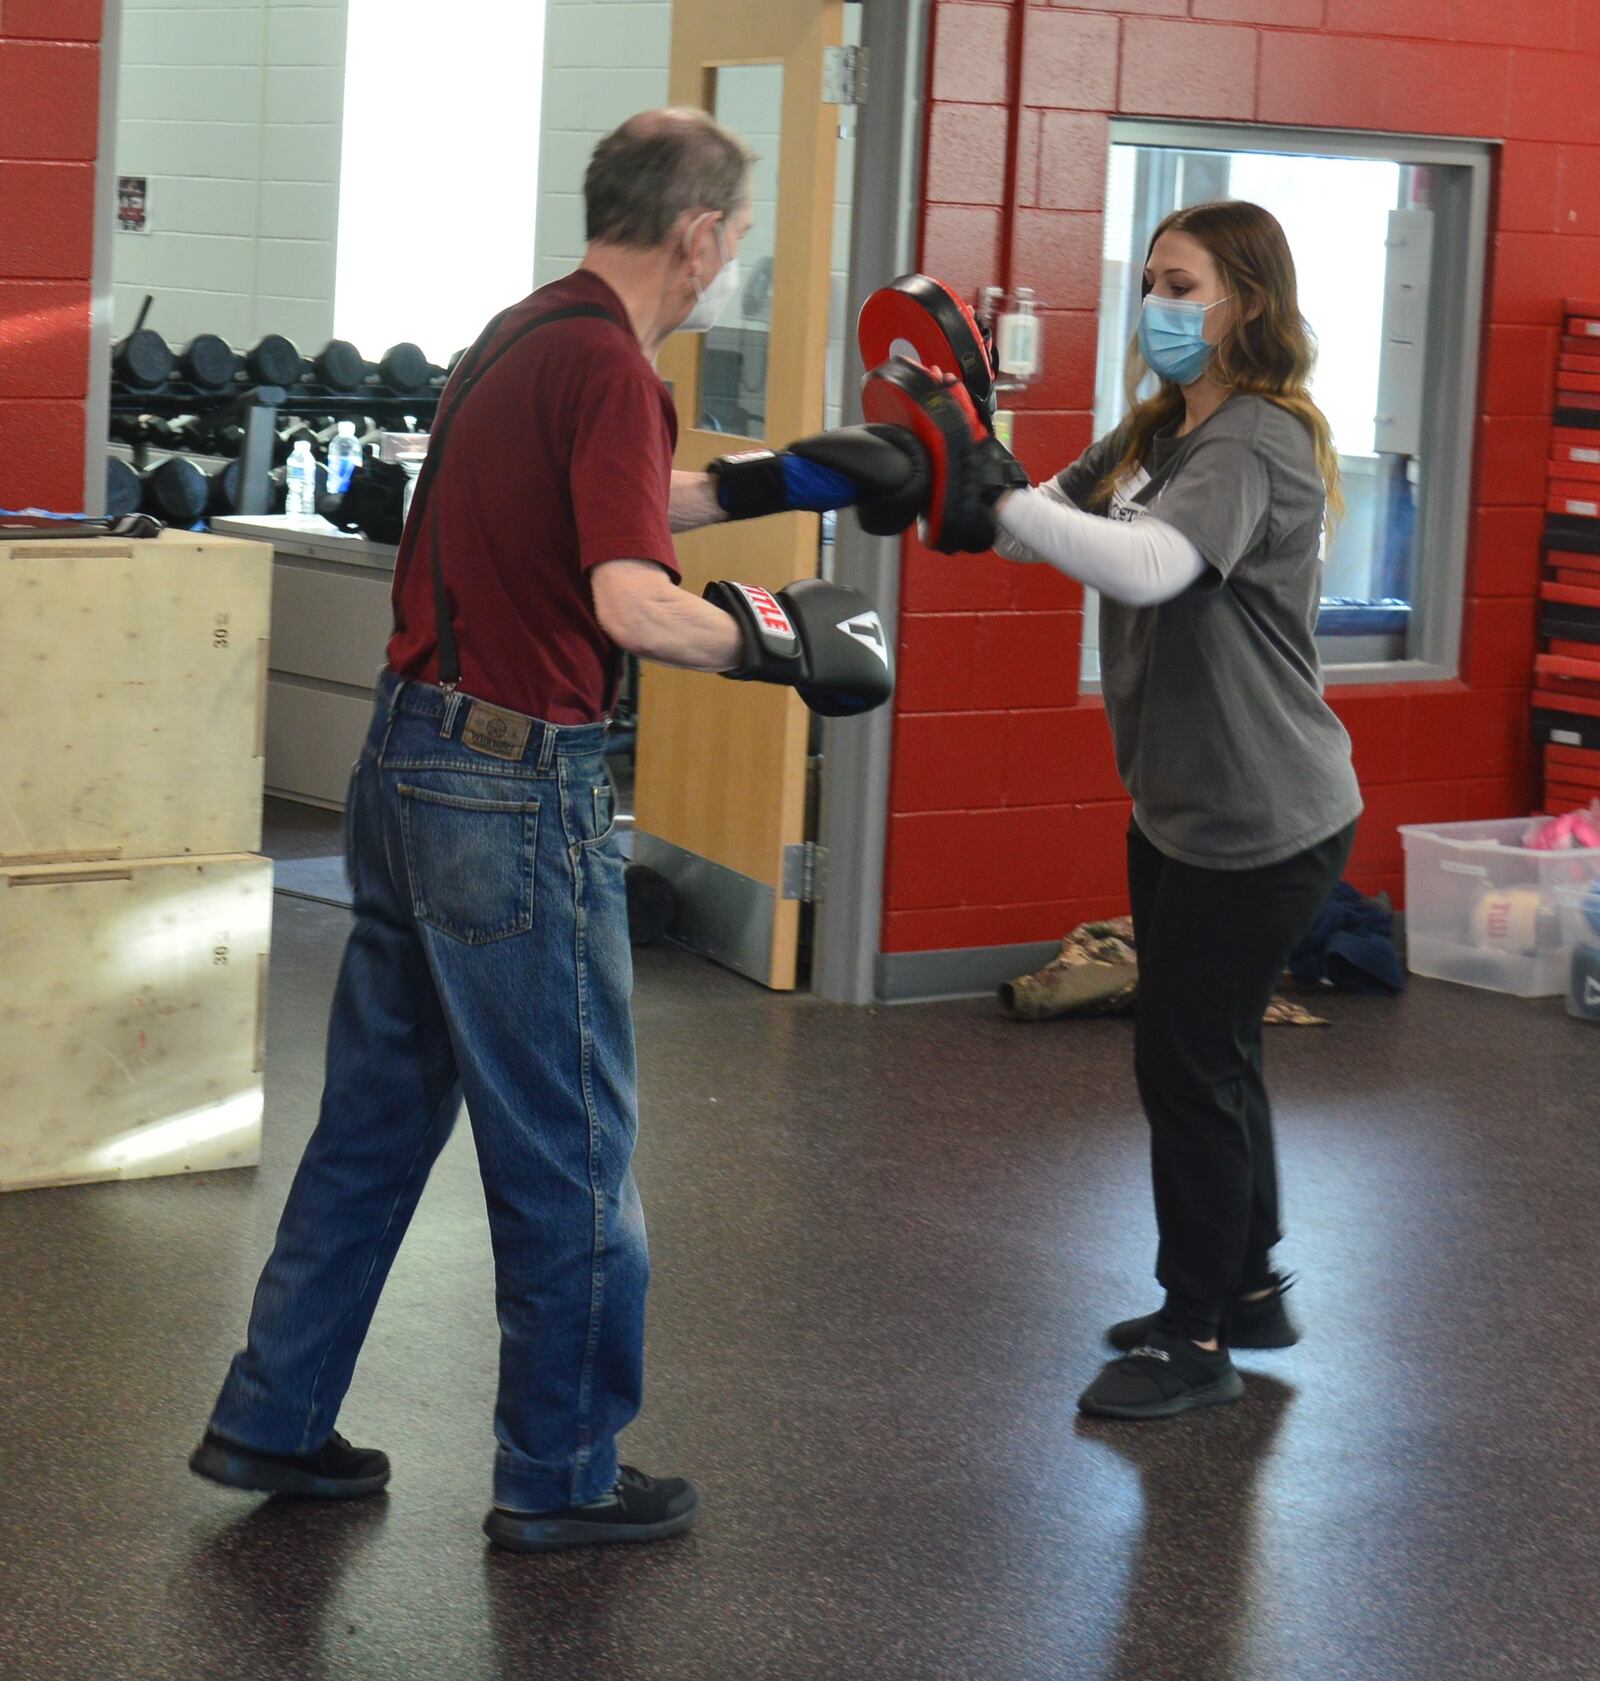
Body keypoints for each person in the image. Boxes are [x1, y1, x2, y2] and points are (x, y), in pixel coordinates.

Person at [189, 107, 908, 1549]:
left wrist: (788, 481)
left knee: (377, 1128)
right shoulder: (612, 366)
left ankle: (273, 1415)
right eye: (734, 242)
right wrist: (785, 645)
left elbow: (629, 503)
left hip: (404, 764)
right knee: (572, 1139)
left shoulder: (522, 336)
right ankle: (562, 1472)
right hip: (511, 791)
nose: (728, 268)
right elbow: (630, 599)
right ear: (696, 231)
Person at [987, 201, 1362, 1420]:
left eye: (1182, 283)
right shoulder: (1160, 428)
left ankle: (1192, 1341)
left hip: (1261, 816)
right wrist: (959, 467)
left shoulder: (1253, 440)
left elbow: (1149, 565)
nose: (1158, 303)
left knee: (1188, 1062)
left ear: (1244, 300)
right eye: (1149, 279)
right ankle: (1244, 1289)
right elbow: (1037, 525)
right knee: (1213, 1052)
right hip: (1183, 804)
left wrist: (1003, 501)